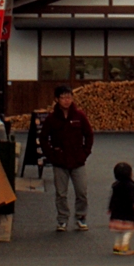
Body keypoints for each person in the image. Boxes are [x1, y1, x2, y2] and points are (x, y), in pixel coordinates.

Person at [39, 85, 94, 231]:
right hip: (60, 161)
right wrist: (51, 155)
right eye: (63, 97)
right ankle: (62, 219)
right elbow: (43, 138)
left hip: (78, 160)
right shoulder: (52, 119)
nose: (66, 100)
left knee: (81, 191)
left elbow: (89, 135)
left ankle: (81, 217)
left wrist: (85, 152)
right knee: (61, 193)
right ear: (57, 99)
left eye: (69, 97)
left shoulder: (79, 116)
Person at [108, 162, 134, 256]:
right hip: (127, 212)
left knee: (118, 231)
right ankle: (124, 246)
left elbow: (112, 198)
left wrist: (110, 208)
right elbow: (132, 197)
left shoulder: (115, 185)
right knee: (128, 230)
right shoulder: (130, 186)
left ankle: (117, 246)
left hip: (116, 212)